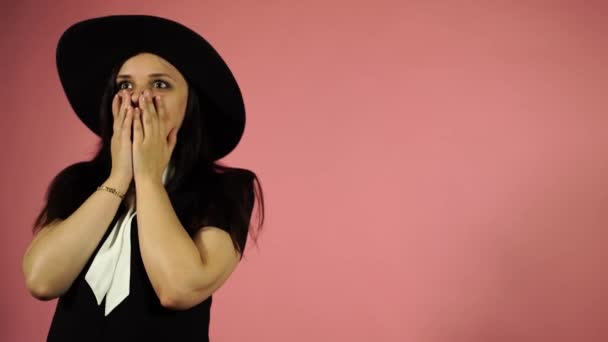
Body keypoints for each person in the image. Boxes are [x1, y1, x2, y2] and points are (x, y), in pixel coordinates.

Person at [22, 14, 265, 341]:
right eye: (125, 85)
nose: (138, 98)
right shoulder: (77, 182)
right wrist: (120, 176)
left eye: (159, 84)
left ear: (189, 102)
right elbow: (41, 280)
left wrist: (148, 178)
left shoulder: (226, 190)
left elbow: (178, 288)